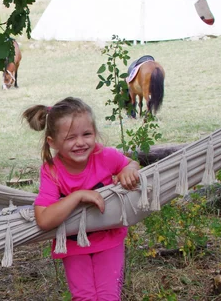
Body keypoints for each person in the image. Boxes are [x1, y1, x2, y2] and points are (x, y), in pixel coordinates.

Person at [22, 97, 140, 300]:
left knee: (108, 296)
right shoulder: (52, 171)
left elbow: (131, 164)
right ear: (53, 142)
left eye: (87, 134)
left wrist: (127, 170)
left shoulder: (104, 156)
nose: (80, 143)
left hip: (109, 238)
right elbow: (44, 219)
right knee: (84, 297)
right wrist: (78, 196)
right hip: (74, 244)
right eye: (70, 137)